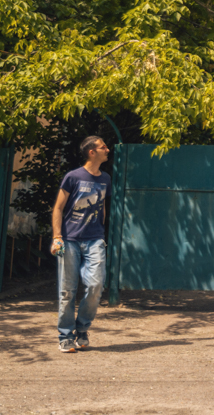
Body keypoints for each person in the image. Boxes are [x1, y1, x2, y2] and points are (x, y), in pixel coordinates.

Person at [51, 136, 112, 353]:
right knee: (67, 290)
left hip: (95, 239)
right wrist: (57, 236)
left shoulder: (105, 178)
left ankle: (82, 328)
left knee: (96, 286)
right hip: (69, 240)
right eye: (103, 146)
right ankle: (65, 336)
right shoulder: (72, 177)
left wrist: (100, 230)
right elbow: (58, 207)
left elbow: (102, 206)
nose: (107, 149)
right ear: (91, 152)